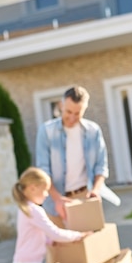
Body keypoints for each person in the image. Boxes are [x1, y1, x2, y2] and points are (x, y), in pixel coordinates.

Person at [36, 85, 109, 227]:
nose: (72, 117)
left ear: (84, 109)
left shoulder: (93, 131)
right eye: (68, 111)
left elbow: (102, 166)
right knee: (61, 248)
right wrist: (57, 199)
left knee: (90, 244)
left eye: (77, 113)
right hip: (55, 199)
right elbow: (43, 171)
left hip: (84, 197)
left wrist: (95, 190)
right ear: (61, 105)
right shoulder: (46, 132)